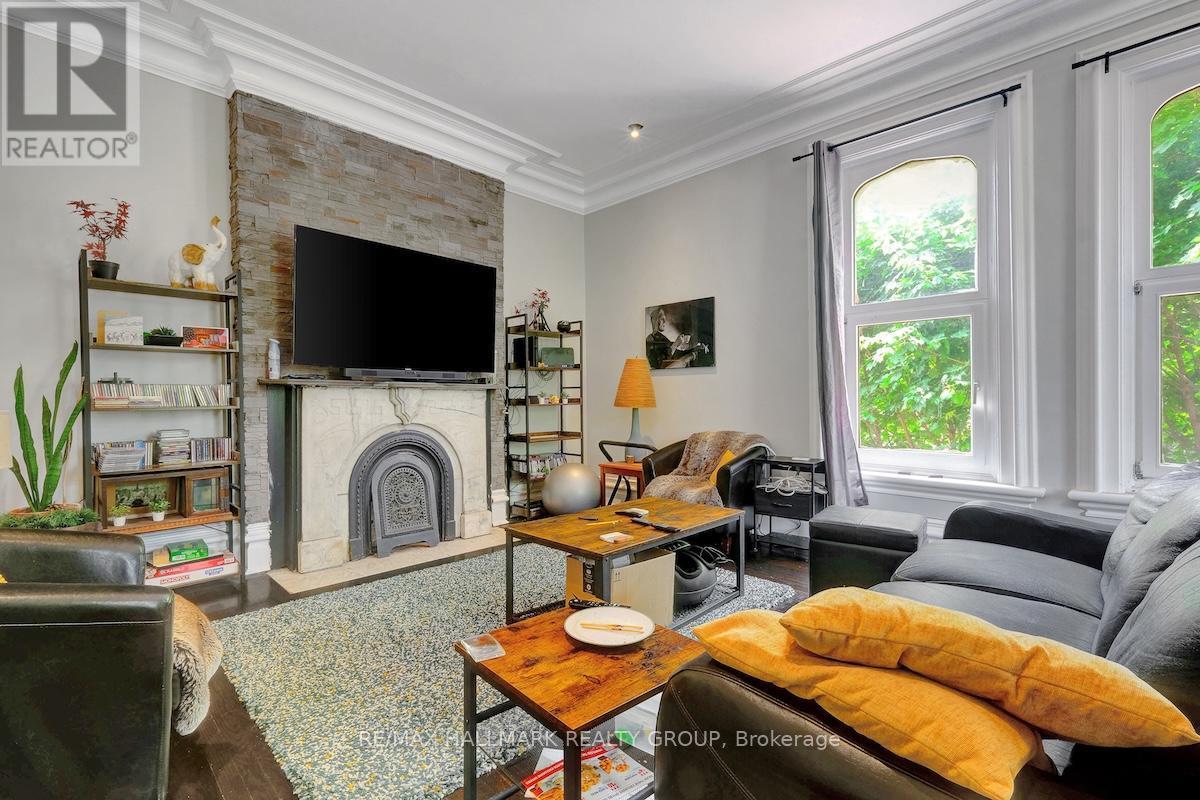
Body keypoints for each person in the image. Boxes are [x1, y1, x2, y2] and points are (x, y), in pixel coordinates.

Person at [645, 306, 710, 369]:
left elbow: (678, 354)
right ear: (656, 320)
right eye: (662, 319)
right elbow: (661, 363)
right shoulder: (650, 338)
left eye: (665, 318)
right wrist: (676, 344)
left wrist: (696, 348)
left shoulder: (661, 337)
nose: (664, 321)